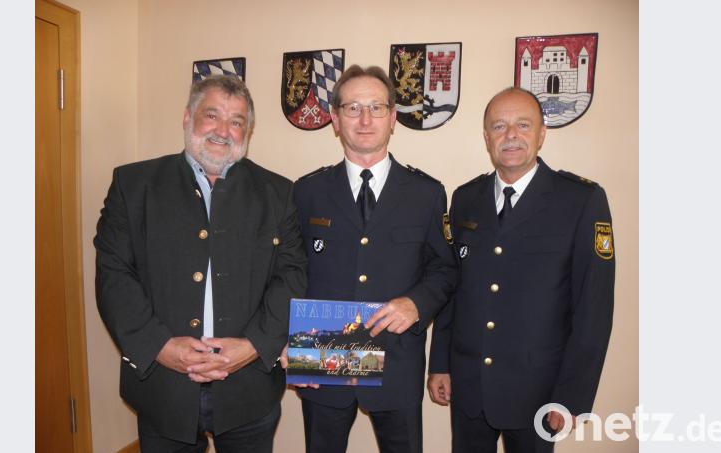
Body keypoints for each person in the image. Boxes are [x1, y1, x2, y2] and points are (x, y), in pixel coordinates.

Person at [94, 75, 307, 453]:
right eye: (212, 115)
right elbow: (114, 275)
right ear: (187, 117)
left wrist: (254, 346)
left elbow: (291, 275)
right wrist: (158, 347)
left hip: (249, 388)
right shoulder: (133, 185)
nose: (223, 131)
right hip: (162, 387)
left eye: (236, 121)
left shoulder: (278, 193)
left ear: (248, 131)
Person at [428, 87, 615, 453]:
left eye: (523, 125)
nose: (510, 135)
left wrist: (573, 396)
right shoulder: (466, 198)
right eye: (499, 126)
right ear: (486, 138)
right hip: (469, 384)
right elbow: (454, 290)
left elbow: (594, 309)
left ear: (542, 134)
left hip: (538, 391)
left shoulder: (581, 200)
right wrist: (441, 364)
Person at [289, 65, 457, 453]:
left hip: (397, 362)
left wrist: (416, 303)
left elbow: (445, 268)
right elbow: (289, 271)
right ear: (335, 119)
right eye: (352, 108)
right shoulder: (307, 192)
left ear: (393, 117)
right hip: (323, 356)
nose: (365, 119)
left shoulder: (426, 193)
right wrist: (290, 345)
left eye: (377, 108)